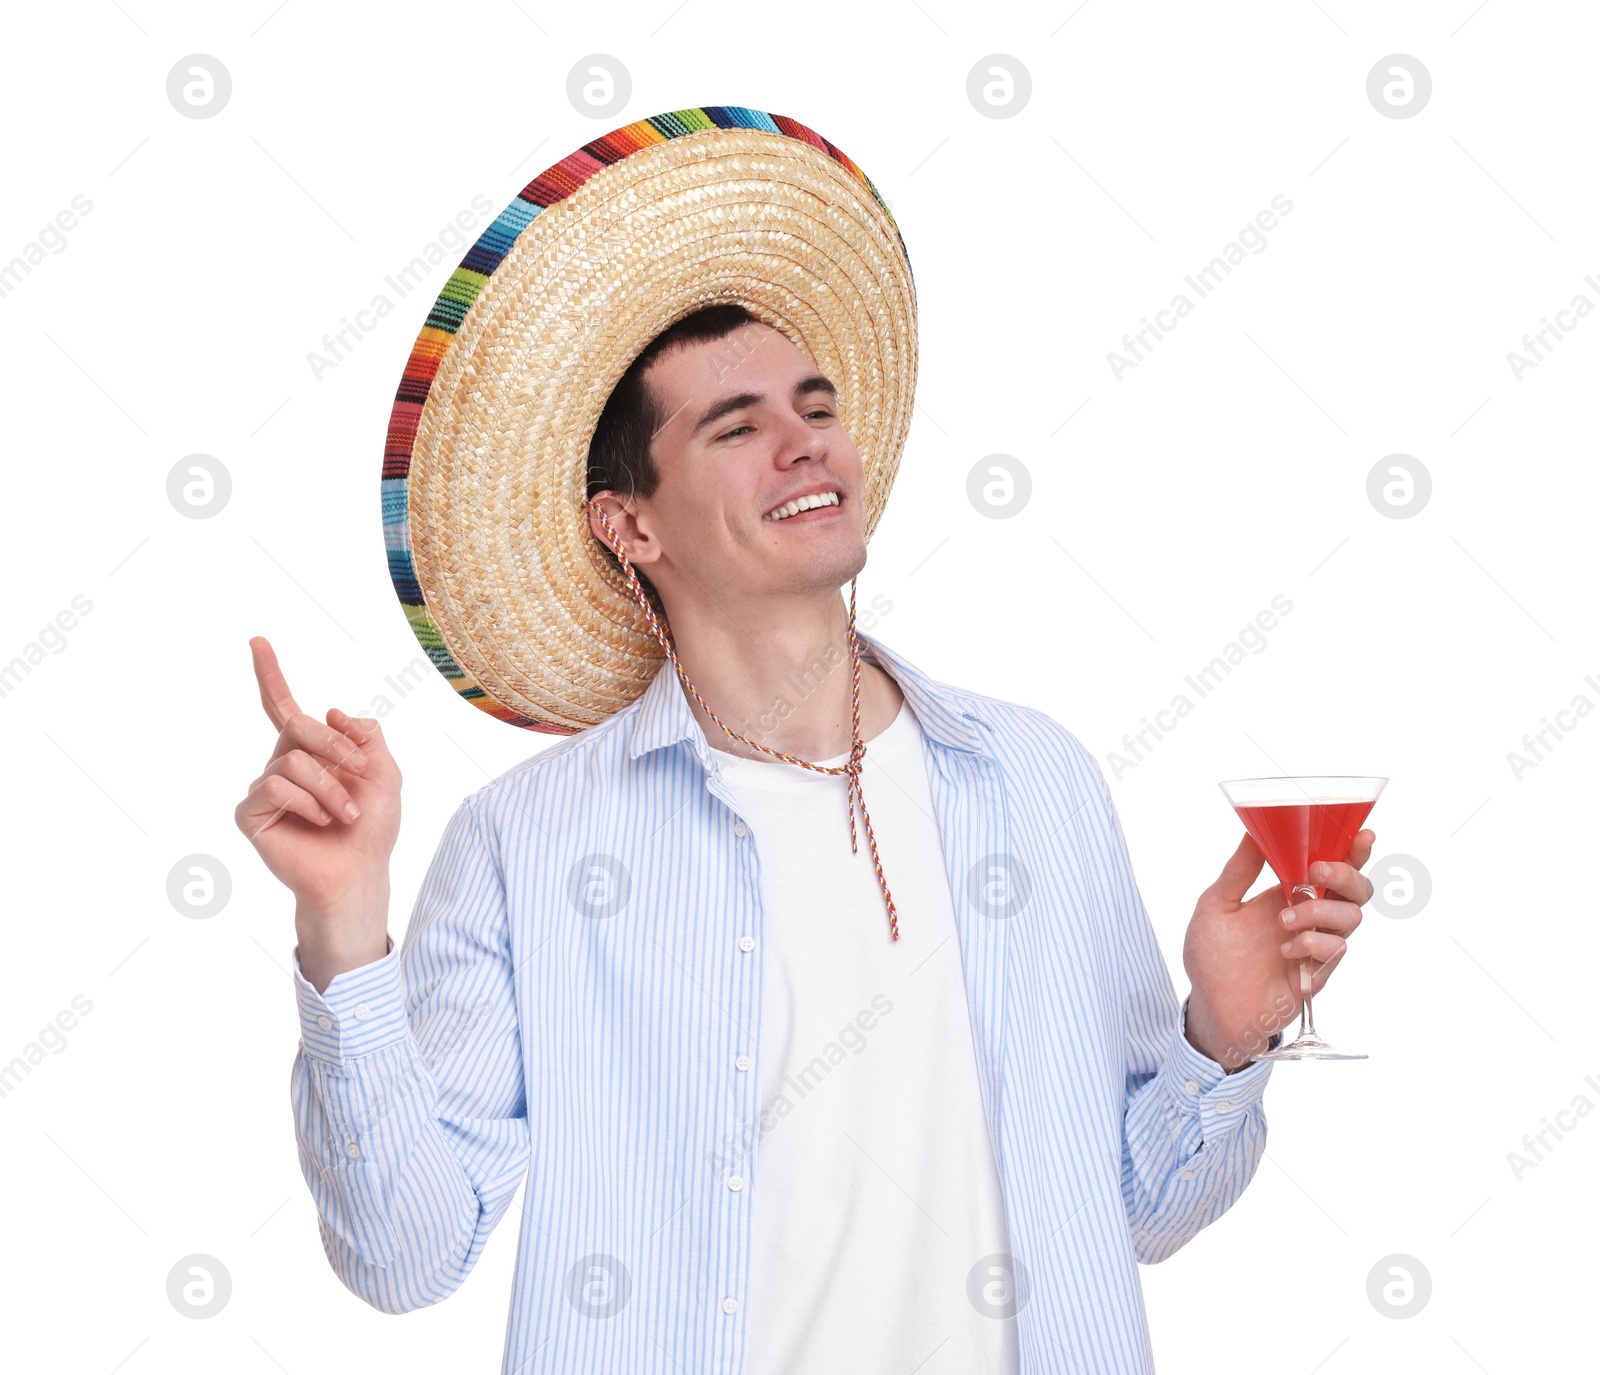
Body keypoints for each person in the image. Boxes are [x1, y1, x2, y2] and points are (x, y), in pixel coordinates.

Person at [235, 108, 1376, 1375]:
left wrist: (1223, 1039)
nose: (807, 441)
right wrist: (343, 929)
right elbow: (404, 1257)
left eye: (815, 404)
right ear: (630, 526)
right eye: (734, 427)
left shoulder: (1034, 779)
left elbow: (1143, 1212)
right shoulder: (527, 840)